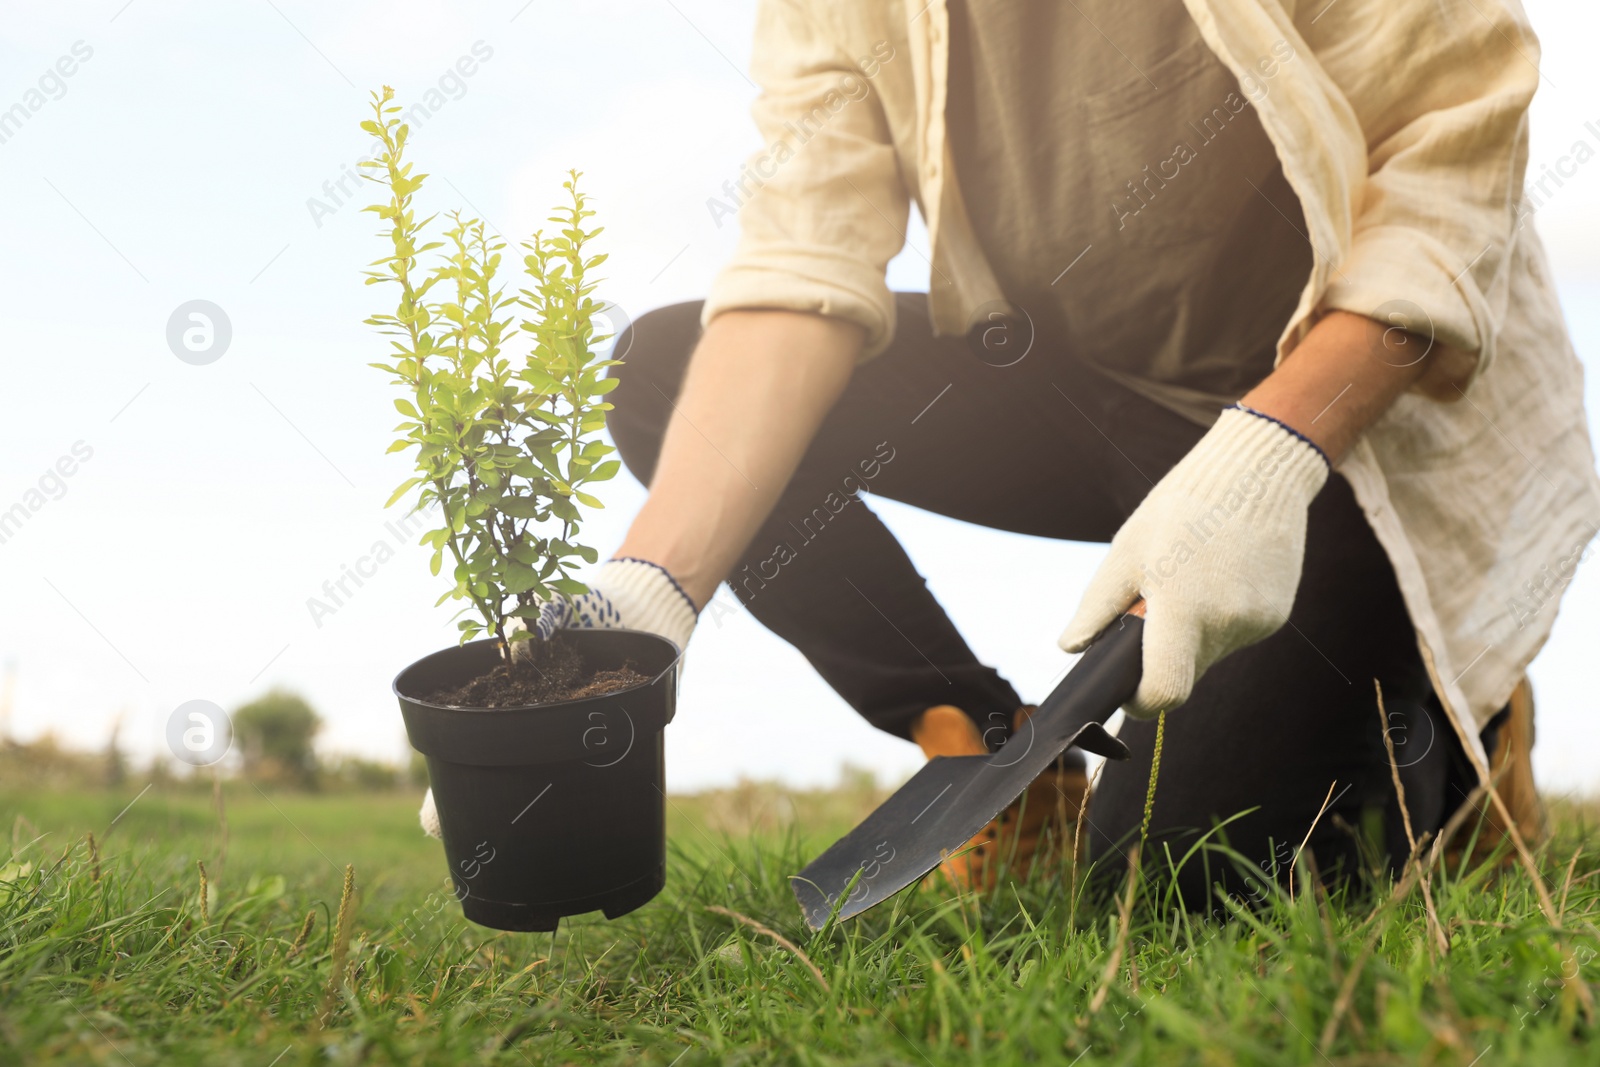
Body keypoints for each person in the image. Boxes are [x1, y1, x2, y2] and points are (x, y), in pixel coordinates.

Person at [426, 0, 1600, 905]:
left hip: (1347, 420)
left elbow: (1448, 160)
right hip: (1080, 387)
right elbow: (801, 268)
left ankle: (1460, 726)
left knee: (1180, 885)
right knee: (666, 367)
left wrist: (1268, 455)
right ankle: (987, 743)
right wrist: (646, 596)